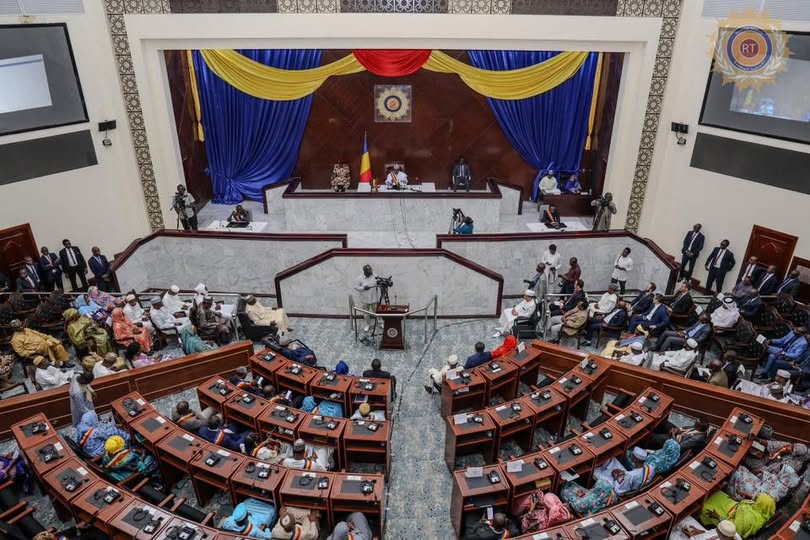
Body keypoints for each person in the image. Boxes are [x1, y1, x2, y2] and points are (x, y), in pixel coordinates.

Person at [699, 492, 775, 539]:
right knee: (718, 493)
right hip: (734, 508)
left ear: (760, 503)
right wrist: (737, 499)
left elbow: (732, 529)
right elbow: (746, 503)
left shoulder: (747, 519)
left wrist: (717, 516)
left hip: (726, 520)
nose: (754, 498)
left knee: (705, 507)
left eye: (757, 499)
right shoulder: (763, 511)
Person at [354, 264, 378, 333]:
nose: (371, 272)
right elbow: (356, 287)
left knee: (377, 312)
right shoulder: (359, 278)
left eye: (371, 270)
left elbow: (378, 281)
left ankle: (380, 323)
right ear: (365, 271)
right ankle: (367, 325)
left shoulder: (374, 275)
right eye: (369, 271)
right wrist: (363, 288)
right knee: (366, 314)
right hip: (365, 299)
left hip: (374, 298)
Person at [673, 518, 741, 540]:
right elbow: (711, 532)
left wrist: (690, 536)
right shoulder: (733, 533)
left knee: (673, 534)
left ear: (725, 537)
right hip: (702, 536)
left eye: (718, 531)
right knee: (686, 519)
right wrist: (699, 531)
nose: (716, 530)